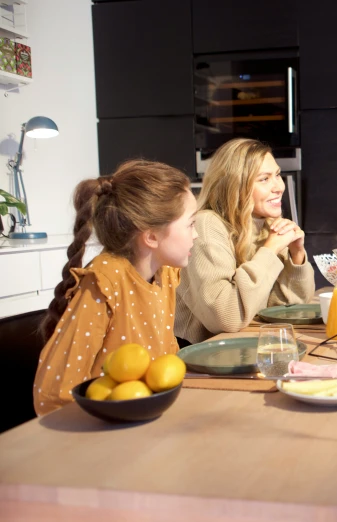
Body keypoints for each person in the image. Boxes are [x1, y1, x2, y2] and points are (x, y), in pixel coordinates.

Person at [34, 160, 198, 415]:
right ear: (151, 236)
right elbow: (53, 395)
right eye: (190, 224)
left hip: (148, 422)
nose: (196, 235)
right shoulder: (103, 282)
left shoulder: (164, 274)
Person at [175, 138, 315, 345]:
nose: (279, 187)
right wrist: (269, 251)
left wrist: (297, 256)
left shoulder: (266, 224)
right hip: (198, 356)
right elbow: (226, 318)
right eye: (264, 179)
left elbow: (286, 308)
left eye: (277, 175)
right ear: (235, 185)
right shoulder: (207, 225)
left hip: (243, 345)